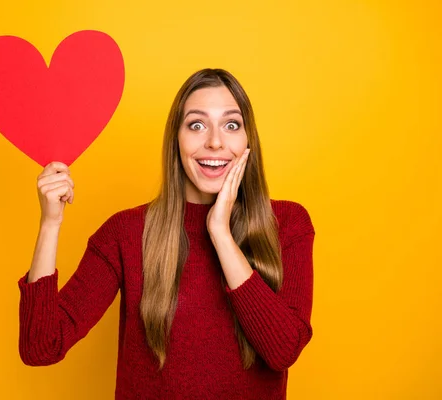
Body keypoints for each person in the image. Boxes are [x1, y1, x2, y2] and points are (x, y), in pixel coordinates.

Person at [17, 68, 316, 399]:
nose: (215, 141)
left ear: (248, 141)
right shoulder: (126, 233)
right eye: (196, 125)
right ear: (177, 139)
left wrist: (220, 233)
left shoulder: (289, 224)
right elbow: (41, 346)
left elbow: (283, 351)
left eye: (231, 125)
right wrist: (50, 223)